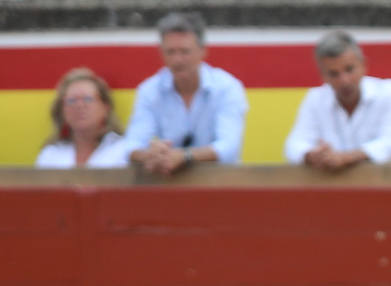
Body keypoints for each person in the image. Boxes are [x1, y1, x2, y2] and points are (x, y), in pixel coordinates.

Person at [123, 11, 248, 176]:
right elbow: (131, 146)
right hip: (167, 185)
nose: (177, 60)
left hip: (220, 184)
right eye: (171, 52)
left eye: (184, 51)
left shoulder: (227, 88)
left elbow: (229, 147)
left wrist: (185, 156)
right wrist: (151, 155)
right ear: (161, 53)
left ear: (202, 51)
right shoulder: (149, 90)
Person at [284, 30, 391, 170]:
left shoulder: (390, 92)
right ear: (323, 76)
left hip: (389, 188)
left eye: (349, 69)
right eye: (334, 74)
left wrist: (347, 157)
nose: (344, 81)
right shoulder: (316, 98)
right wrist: (311, 155)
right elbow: (294, 145)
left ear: (363, 65)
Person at [35, 67, 129, 168]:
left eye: (87, 99)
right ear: (62, 110)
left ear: (105, 107)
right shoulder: (51, 154)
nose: (79, 105)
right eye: (71, 100)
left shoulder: (125, 150)